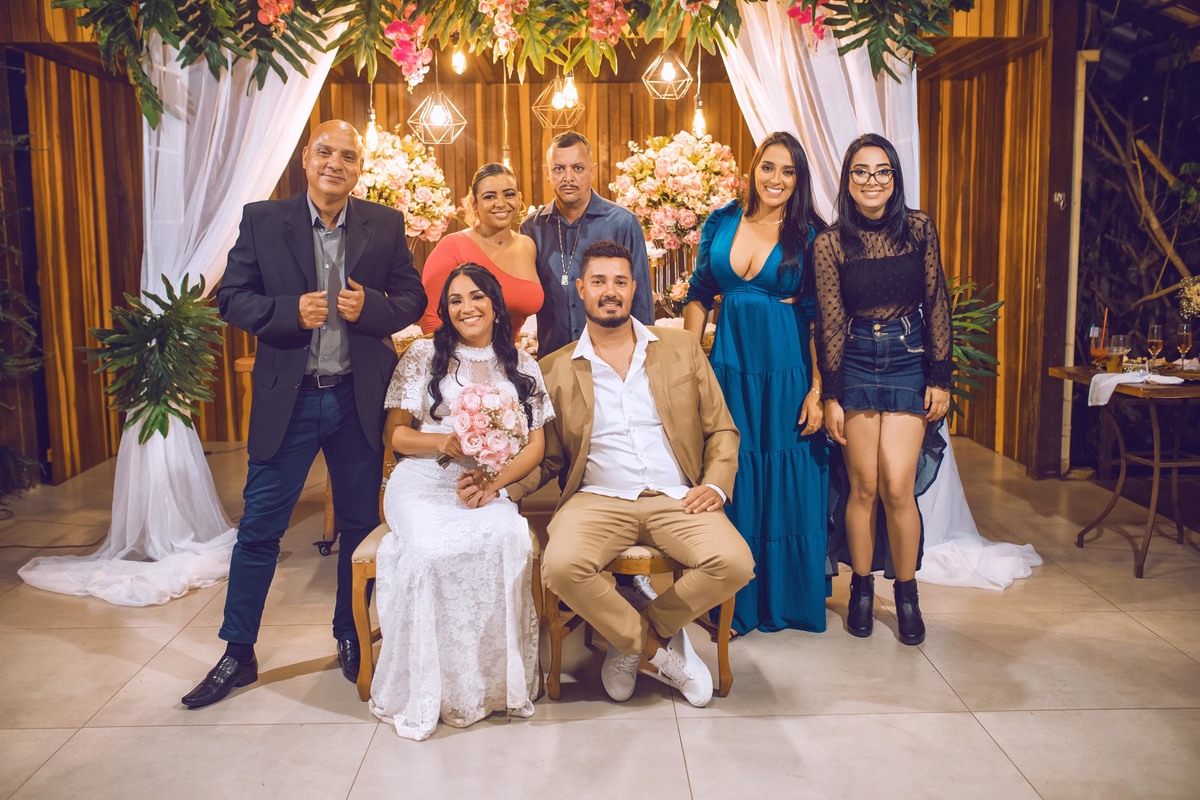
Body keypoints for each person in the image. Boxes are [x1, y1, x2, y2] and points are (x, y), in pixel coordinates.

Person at [181, 120, 426, 709]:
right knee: (260, 528)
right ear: (306, 160)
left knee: (359, 527)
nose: (335, 163)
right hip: (288, 399)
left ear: (359, 168)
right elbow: (232, 297)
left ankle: (350, 633)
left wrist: (372, 308)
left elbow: (413, 299)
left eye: (348, 156)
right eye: (325, 152)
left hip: (356, 400)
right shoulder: (263, 220)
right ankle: (238, 651)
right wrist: (289, 311)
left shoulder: (385, 224)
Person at [504, 240, 755, 708]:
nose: (610, 291)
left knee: (735, 562)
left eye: (620, 281)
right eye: (599, 281)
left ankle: (632, 640)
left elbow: (721, 428)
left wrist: (716, 484)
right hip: (596, 498)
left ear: (634, 288)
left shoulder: (680, 348)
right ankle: (658, 651)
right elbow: (548, 457)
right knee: (561, 567)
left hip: (676, 496)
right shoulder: (554, 369)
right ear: (581, 289)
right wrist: (500, 487)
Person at [371, 263, 552, 740]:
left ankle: (494, 685)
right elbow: (395, 437)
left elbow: (536, 445)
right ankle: (433, 686)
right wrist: (443, 442)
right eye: (455, 300)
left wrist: (494, 483)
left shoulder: (523, 364)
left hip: (484, 483)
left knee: (509, 537)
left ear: (495, 306)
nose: (466, 308)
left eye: (476, 297)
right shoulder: (423, 355)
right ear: (445, 310)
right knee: (431, 552)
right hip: (423, 480)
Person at [682, 131, 830, 636]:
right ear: (754, 168)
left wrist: (818, 390)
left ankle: (784, 600)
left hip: (787, 371)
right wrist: (690, 366)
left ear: (799, 179)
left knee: (788, 479)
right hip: (728, 368)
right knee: (734, 471)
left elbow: (819, 317)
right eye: (769, 167)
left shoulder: (810, 235)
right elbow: (700, 293)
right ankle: (734, 602)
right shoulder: (722, 220)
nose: (776, 179)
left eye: (788, 171)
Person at [813, 132, 953, 646]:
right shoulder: (830, 243)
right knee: (864, 486)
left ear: (894, 178)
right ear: (848, 180)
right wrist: (831, 394)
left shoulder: (919, 228)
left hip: (908, 358)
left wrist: (940, 377)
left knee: (897, 485)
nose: (871, 181)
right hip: (854, 361)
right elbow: (829, 323)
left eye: (881, 171)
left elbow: (937, 302)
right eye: (861, 171)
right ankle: (861, 589)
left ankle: (908, 594)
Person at [520, 131, 654, 357]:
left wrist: (644, 359)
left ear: (592, 171)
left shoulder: (623, 223)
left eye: (577, 168)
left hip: (613, 358)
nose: (568, 177)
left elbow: (640, 300)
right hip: (554, 359)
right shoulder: (532, 228)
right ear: (547, 173)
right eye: (559, 169)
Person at [419, 163, 543, 337]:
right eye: (489, 197)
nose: (501, 203)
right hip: (461, 353)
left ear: (519, 198)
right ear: (474, 203)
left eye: (509, 194)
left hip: (510, 353)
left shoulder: (528, 245)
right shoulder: (452, 247)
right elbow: (431, 321)